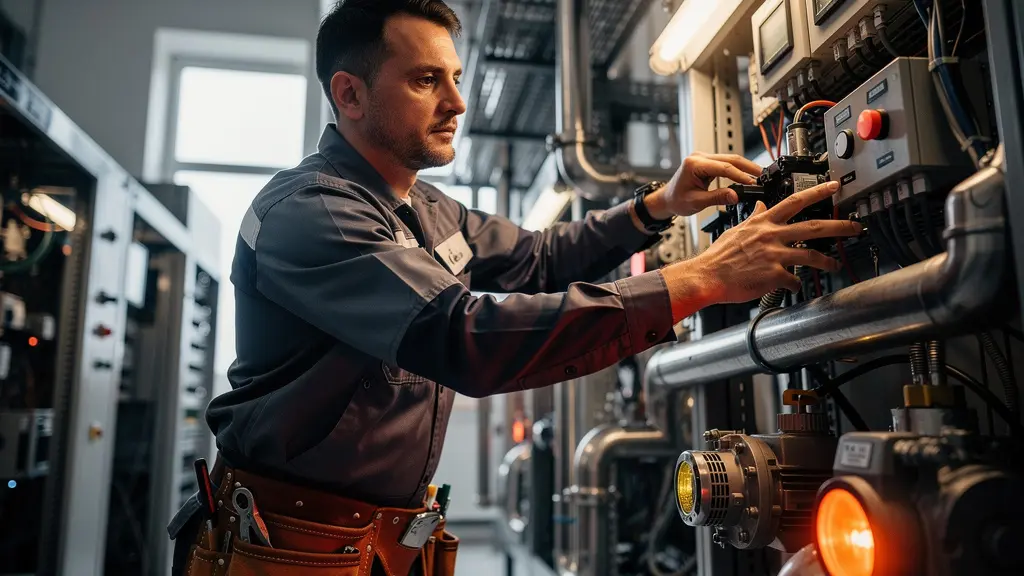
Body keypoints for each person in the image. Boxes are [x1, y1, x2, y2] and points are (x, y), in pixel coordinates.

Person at [167, 1, 862, 575]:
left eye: (457, 77)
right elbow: (461, 337)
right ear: (348, 93)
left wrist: (654, 207)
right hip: (285, 546)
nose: (458, 102)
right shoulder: (311, 213)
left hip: (385, 546)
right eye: (425, 80)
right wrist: (703, 277)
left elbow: (535, 256)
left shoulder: (433, 210)